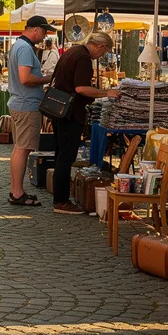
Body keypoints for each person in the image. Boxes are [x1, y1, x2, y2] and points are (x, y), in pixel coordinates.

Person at [49, 32, 118, 214]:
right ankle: (61, 201)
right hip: (70, 113)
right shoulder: (83, 58)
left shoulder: (72, 51)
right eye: (103, 53)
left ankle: (60, 196)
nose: (101, 57)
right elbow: (80, 88)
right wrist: (106, 93)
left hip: (59, 109)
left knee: (61, 154)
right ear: (99, 46)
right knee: (66, 156)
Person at [7, 16, 55, 207]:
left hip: (20, 102)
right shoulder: (25, 48)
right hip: (26, 104)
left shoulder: (18, 45)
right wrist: (48, 78)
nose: (44, 37)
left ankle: (15, 190)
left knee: (19, 148)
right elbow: (25, 78)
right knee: (22, 149)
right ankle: (17, 193)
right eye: (44, 32)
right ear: (36, 30)